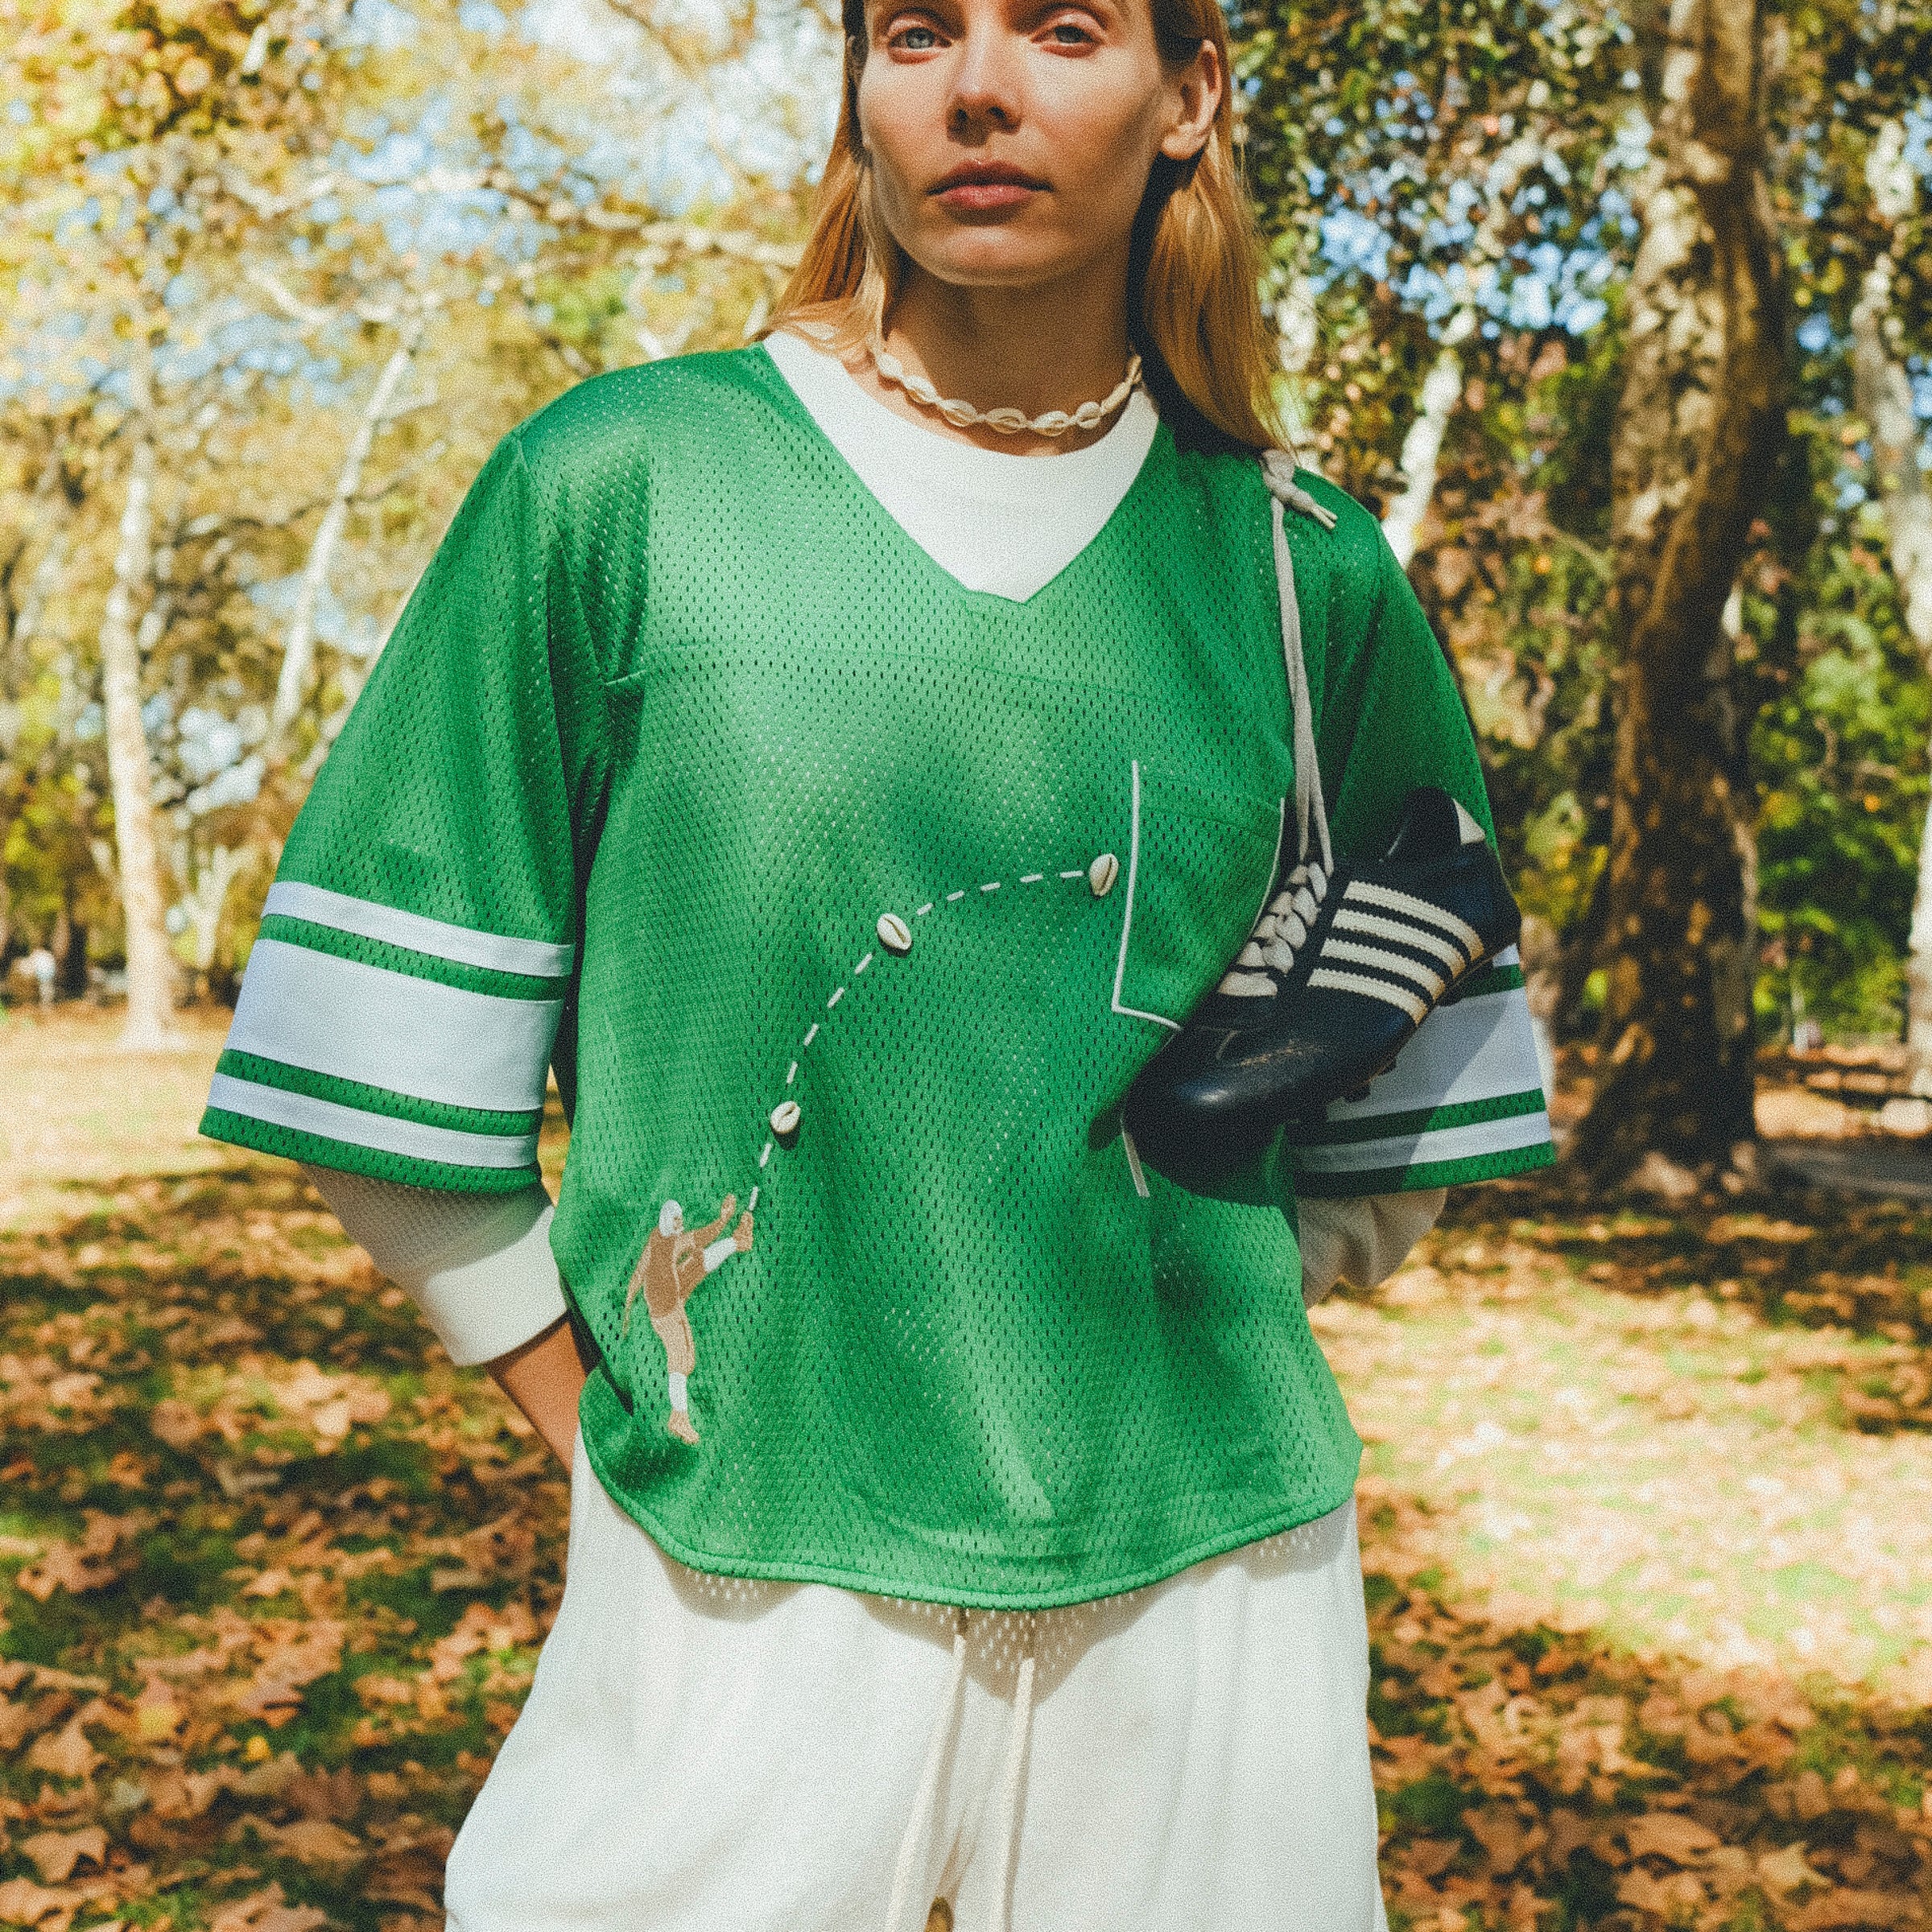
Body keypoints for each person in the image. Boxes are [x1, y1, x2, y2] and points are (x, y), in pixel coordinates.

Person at [200, 0, 1553, 1922]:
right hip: (729, 1561)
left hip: (1213, 1579)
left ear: (1190, 95)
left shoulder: (1298, 562)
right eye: (916, 29)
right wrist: (592, 1424)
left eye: (1064, 29)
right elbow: (380, 1058)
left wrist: (1162, 1327)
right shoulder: (625, 484)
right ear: (857, 84)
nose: (978, 88)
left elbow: (1408, 1108)